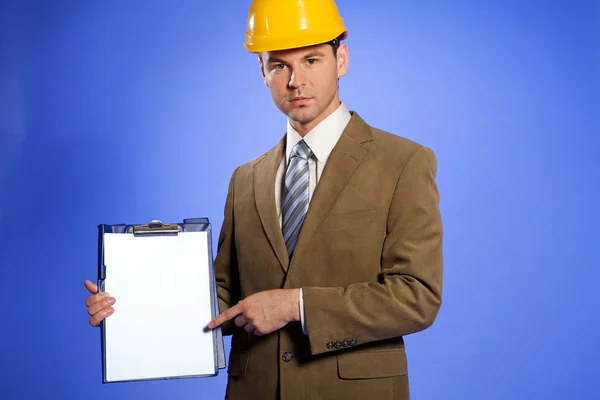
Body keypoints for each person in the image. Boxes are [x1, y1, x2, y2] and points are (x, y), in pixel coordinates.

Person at [84, 0, 443, 399]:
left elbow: (417, 296)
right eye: (279, 66)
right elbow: (223, 294)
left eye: (311, 60)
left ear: (341, 59)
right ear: (262, 72)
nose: (295, 81)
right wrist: (132, 310)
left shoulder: (403, 162)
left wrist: (295, 305)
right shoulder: (246, 178)